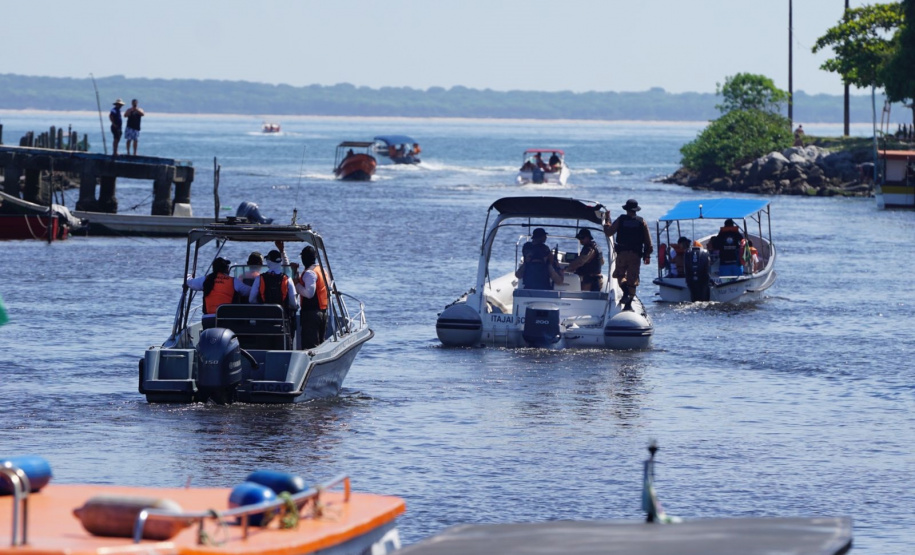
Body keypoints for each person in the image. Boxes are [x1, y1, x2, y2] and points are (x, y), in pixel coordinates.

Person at [603, 199, 653, 311]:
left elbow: (609, 232)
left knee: (620, 275)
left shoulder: (621, 219)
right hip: (635, 255)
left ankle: (625, 292)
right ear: (636, 210)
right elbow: (648, 242)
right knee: (633, 280)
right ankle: (628, 304)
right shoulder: (642, 222)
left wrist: (607, 219)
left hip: (622, 254)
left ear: (626, 209)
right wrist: (647, 255)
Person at [185, 257, 252, 328]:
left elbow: (190, 282)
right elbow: (249, 291)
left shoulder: (206, 279)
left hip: (208, 320)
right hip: (226, 321)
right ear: (226, 269)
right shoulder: (233, 281)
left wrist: (188, 276)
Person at [249, 248, 299, 332]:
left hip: (263, 321)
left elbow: (251, 299)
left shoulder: (259, 279)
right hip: (282, 321)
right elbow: (293, 303)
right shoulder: (287, 279)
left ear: (268, 262)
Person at [295, 245, 329, 349]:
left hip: (311, 314)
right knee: (320, 344)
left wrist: (296, 284)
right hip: (323, 312)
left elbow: (309, 294)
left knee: (310, 347)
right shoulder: (321, 270)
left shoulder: (310, 273)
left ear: (303, 258)